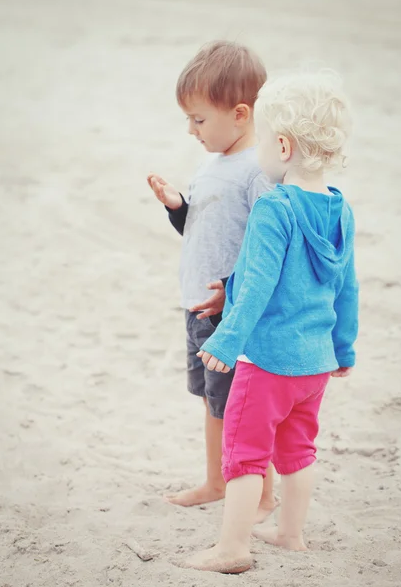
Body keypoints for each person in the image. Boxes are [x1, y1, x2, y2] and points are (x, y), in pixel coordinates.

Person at [180, 69, 359, 574]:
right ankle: (290, 533)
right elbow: (347, 287)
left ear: (281, 146)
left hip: (269, 362)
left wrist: (228, 337)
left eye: (260, 137)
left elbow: (256, 285)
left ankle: (232, 549)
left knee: (245, 452)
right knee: (299, 451)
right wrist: (344, 348)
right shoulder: (340, 210)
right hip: (315, 363)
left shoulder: (275, 208)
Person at [147, 41, 276, 520]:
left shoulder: (258, 172)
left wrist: (235, 290)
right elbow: (202, 230)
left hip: (231, 312)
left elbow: (269, 247)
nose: (191, 130)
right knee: (212, 399)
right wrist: (178, 207)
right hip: (199, 305)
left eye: (199, 119)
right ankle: (216, 481)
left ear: (240, 113)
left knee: (242, 405)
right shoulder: (213, 163)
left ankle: (261, 493)